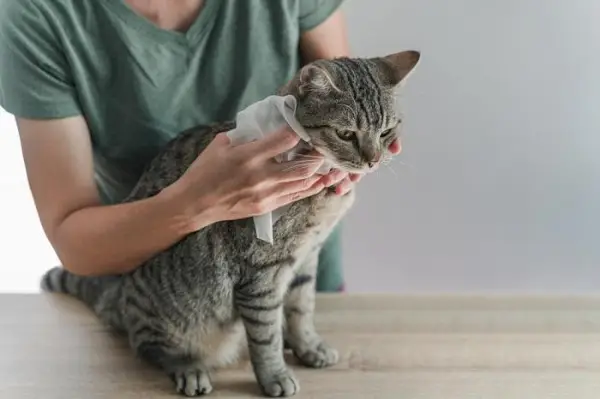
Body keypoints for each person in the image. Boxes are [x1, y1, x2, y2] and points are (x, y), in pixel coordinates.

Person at [0, 0, 400, 291]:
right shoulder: (35, 16)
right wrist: (195, 202)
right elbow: (74, 242)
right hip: (169, 294)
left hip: (299, 275)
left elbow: (349, 96)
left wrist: (355, 151)